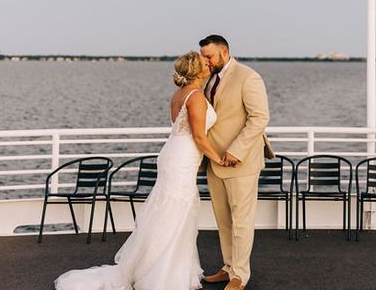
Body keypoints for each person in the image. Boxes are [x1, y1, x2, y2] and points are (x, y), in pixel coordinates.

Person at [54, 51, 224, 290]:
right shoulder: (195, 97)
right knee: (176, 211)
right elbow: (197, 135)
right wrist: (218, 158)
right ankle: (162, 275)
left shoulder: (178, 94)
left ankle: (158, 267)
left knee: (168, 211)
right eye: (205, 63)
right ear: (197, 70)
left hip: (174, 153)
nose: (209, 65)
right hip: (182, 156)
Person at [198, 35, 272, 290]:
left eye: (209, 56)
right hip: (213, 161)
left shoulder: (248, 77)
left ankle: (240, 276)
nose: (204, 61)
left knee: (241, 221)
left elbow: (259, 118)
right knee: (223, 220)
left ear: (224, 51)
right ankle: (228, 267)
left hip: (240, 163)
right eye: (203, 56)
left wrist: (236, 151)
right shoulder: (208, 79)